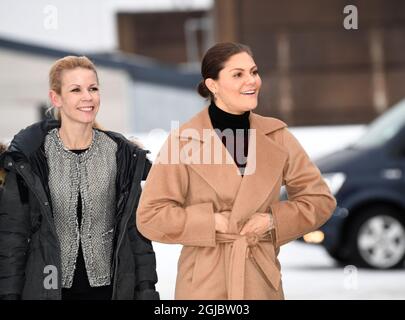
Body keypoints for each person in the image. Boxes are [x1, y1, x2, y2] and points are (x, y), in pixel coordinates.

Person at [136, 42, 337, 300]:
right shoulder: (184, 140)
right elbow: (150, 216)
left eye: (253, 72)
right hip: (203, 286)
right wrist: (210, 222)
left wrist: (273, 220)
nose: (251, 81)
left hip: (261, 280)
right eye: (238, 74)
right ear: (213, 85)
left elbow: (320, 200)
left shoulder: (277, 136)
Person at [0, 56, 159, 300]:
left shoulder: (121, 155)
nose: (88, 97)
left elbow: (136, 236)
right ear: (56, 98)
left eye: (93, 88)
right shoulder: (31, 159)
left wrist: (147, 292)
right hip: (48, 290)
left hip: (112, 292)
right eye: (76, 90)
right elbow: (13, 239)